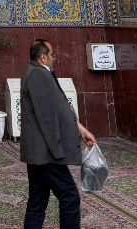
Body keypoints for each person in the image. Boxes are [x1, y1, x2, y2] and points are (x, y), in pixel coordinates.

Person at [20, 39, 96, 229]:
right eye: (52, 54)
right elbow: (47, 117)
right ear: (43, 57)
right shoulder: (38, 75)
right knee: (70, 197)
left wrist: (81, 130)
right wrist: (57, 150)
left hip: (40, 152)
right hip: (46, 153)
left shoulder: (40, 73)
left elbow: (62, 108)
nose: (55, 58)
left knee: (37, 201)